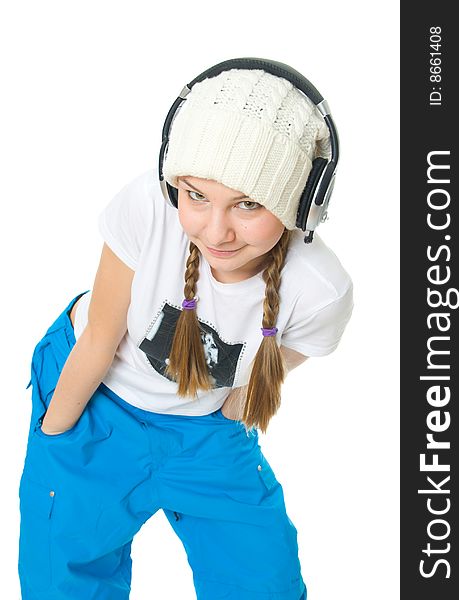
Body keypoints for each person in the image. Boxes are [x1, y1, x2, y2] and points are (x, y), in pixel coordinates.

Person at [18, 66, 354, 599]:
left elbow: (285, 355)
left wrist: (234, 408)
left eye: (248, 204)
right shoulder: (150, 209)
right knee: (62, 575)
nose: (215, 230)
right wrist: (56, 439)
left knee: (264, 581)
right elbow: (101, 338)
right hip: (93, 397)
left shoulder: (320, 291)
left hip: (202, 433)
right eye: (195, 196)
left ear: (302, 203)